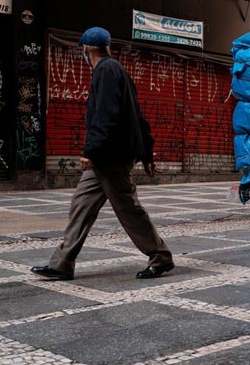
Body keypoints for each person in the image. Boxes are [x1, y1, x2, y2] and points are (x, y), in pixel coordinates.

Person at [31, 27, 174, 280]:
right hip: (107, 156)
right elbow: (137, 117)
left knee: (128, 208)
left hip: (111, 156)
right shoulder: (117, 71)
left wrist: (91, 150)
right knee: (81, 205)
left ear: (86, 48)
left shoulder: (106, 71)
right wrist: (148, 153)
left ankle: (160, 256)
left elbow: (106, 116)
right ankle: (62, 263)